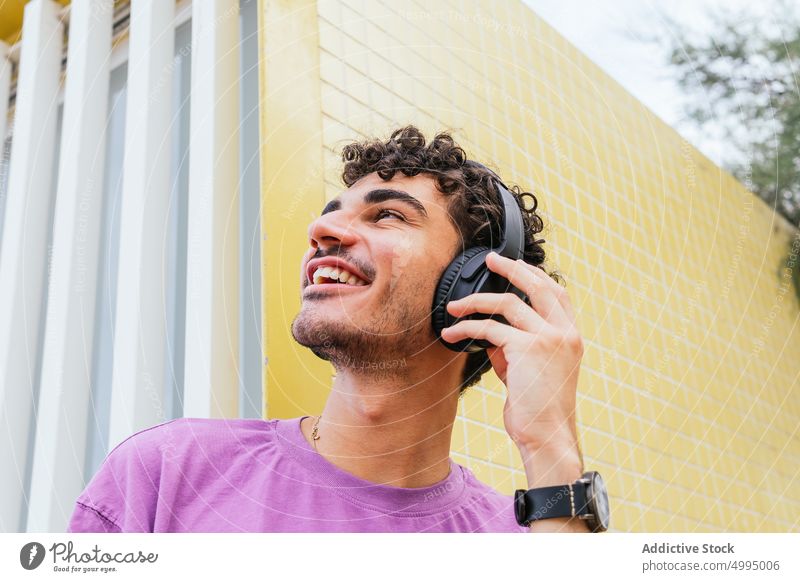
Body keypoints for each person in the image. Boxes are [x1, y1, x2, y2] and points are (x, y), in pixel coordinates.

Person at [67, 126, 590, 533]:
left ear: (473, 285)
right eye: (330, 215)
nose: (320, 231)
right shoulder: (169, 471)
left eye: (387, 216)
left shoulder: (523, 539)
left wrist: (549, 442)